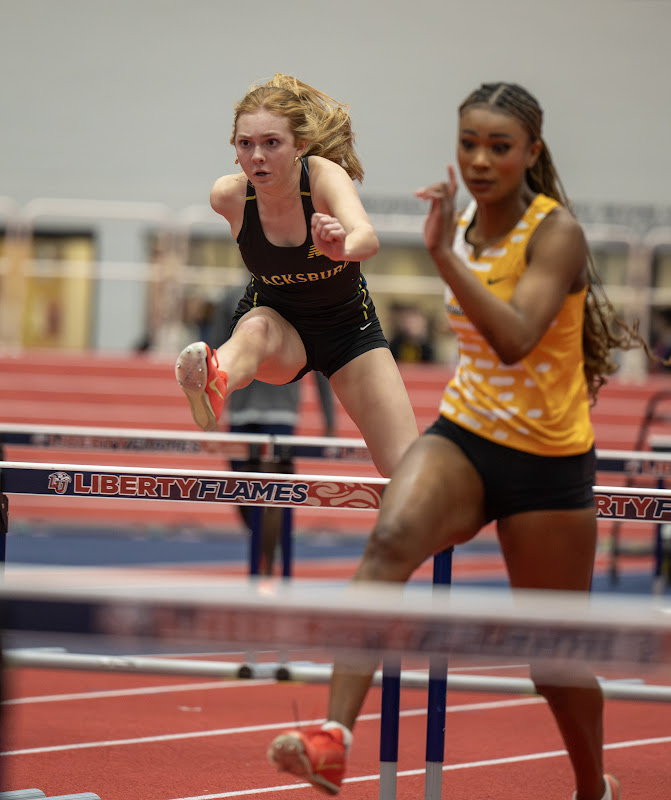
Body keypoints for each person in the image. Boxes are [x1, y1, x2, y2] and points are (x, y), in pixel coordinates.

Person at [266, 82, 649, 799]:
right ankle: (332, 738)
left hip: (548, 463)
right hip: (466, 436)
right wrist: (437, 247)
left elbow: (513, 338)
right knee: (387, 544)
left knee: (553, 664)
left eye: (498, 147)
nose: (478, 159)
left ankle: (593, 787)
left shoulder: (554, 232)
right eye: (467, 142)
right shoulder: (466, 221)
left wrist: (443, 258)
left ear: (530, 153)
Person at [175, 73, 418, 479]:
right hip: (279, 325)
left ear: (299, 146)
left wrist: (344, 248)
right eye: (245, 144)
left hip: (349, 332)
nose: (257, 157)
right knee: (254, 330)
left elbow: (367, 236)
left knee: (406, 469)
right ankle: (214, 380)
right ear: (235, 150)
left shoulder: (322, 177)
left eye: (272, 143)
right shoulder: (229, 197)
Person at [208, 283, 336, 575]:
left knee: (277, 492)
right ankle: (266, 545)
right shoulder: (229, 297)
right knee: (242, 493)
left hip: (281, 411)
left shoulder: (300, 295)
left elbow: (320, 358)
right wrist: (212, 410)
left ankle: (269, 559)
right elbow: (215, 349)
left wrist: (329, 418)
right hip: (241, 411)